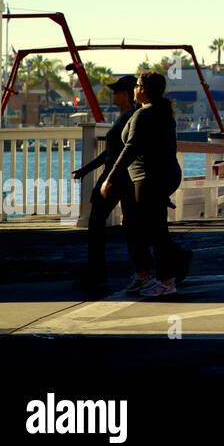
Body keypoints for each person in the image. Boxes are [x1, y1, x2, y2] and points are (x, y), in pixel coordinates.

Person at [100, 71, 192, 297]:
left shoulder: (145, 114)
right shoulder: (161, 113)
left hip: (149, 177)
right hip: (159, 176)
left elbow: (130, 148)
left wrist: (110, 179)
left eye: (137, 85)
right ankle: (146, 275)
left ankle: (166, 281)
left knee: (155, 230)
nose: (134, 88)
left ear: (143, 89)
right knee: (140, 226)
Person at [71, 75, 142, 296]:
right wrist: (87, 168)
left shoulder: (129, 118)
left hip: (115, 178)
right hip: (120, 177)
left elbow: (121, 152)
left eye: (117, 91)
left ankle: (98, 275)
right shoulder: (126, 118)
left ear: (126, 95)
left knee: (98, 225)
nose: (113, 95)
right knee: (132, 227)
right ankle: (143, 271)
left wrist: (106, 177)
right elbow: (112, 151)